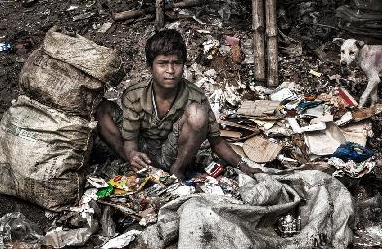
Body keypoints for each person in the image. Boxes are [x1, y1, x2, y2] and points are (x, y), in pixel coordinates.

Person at [97, 29, 262, 179]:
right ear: (150, 67)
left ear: (183, 65)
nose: (170, 70)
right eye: (162, 63)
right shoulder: (134, 95)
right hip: (143, 151)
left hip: (172, 155)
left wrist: (244, 166)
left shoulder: (195, 96)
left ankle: (177, 172)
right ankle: (134, 165)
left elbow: (216, 142)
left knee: (197, 113)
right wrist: (132, 154)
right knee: (102, 109)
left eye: (176, 63)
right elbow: (130, 140)